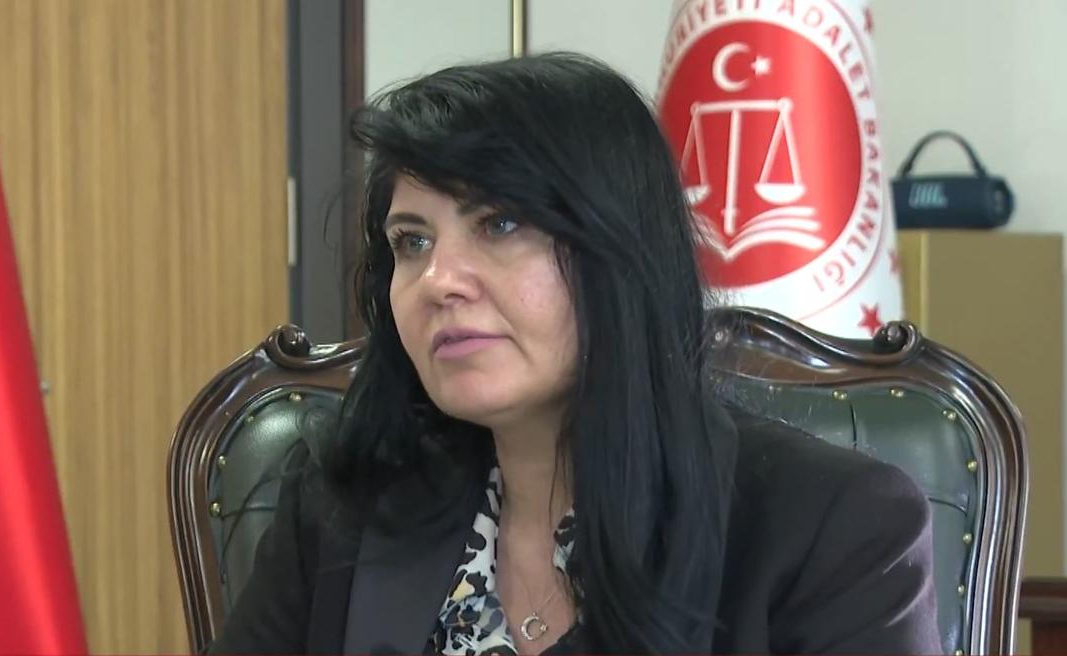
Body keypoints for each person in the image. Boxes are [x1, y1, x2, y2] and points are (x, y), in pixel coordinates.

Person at [210, 53, 939, 655]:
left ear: (617, 250)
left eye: (498, 223)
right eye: (412, 241)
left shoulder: (830, 526)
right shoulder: (342, 504)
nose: (438, 281)